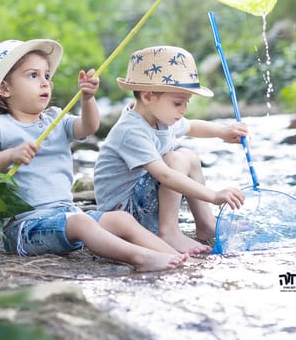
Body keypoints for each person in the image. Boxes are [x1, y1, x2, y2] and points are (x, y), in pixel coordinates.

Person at [0, 39, 188, 272]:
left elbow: (88, 127)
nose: (45, 83)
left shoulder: (55, 118)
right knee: (81, 222)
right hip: (26, 227)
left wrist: (87, 98)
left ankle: (173, 255)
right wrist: (10, 156)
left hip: (65, 215)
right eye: (33, 75)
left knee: (120, 219)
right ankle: (141, 258)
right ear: (4, 89)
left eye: (47, 76)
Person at [93, 45, 247, 255]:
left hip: (142, 204)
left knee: (189, 156)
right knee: (176, 159)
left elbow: (191, 126)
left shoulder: (160, 117)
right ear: (148, 97)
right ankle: (169, 232)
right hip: (124, 215)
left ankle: (206, 223)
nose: (183, 110)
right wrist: (213, 195)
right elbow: (164, 175)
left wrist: (222, 132)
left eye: (186, 103)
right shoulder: (131, 130)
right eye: (178, 103)